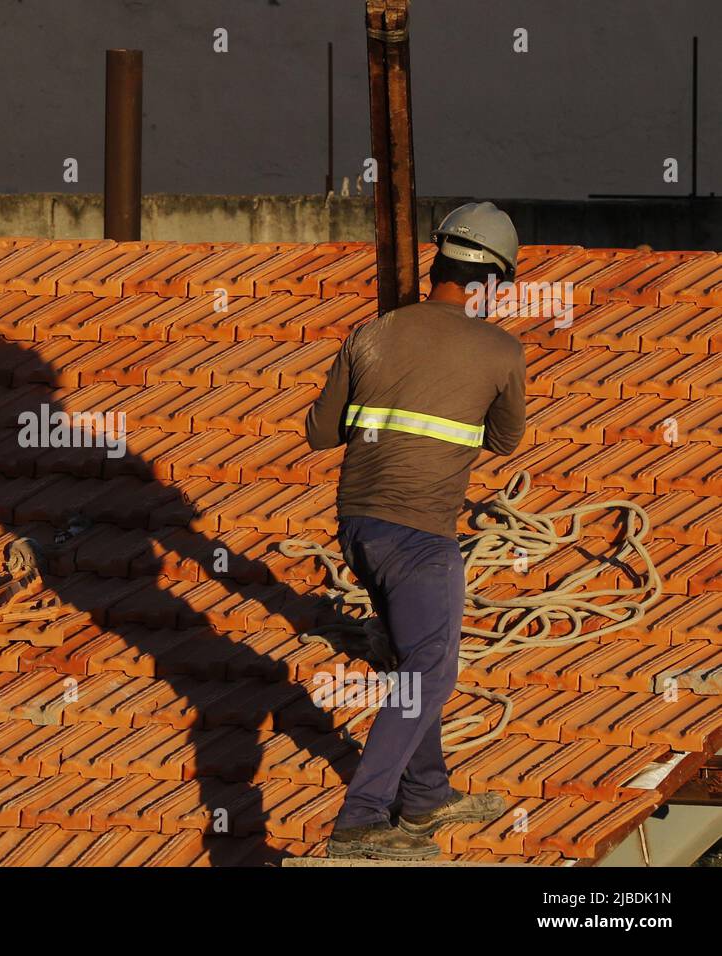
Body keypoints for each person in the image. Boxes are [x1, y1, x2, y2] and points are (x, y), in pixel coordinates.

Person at [306, 202, 528, 860]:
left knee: (411, 654)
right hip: (420, 535)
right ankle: (362, 816)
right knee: (430, 671)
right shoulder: (500, 350)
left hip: (357, 529)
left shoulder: (371, 333)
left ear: (437, 265)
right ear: (488, 283)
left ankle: (426, 794)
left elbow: (320, 433)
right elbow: (507, 439)